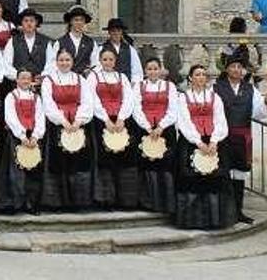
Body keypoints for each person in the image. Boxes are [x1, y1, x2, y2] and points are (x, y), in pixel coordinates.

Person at [175, 65, 236, 230]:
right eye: (197, 74)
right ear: (190, 78)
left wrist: (215, 141)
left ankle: (215, 219)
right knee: (192, 179)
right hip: (191, 142)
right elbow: (183, 121)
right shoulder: (183, 98)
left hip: (213, 140)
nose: (201, 77)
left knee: (214, 178)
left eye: (203, 74)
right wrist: (198, 142)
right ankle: (192, 220)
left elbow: (220, 120)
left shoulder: (215, 98)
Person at [213, 55, 267, 224]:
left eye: (239, 67)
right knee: (222, 174)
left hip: (243, 137)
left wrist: (266, 102)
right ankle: (223, 212)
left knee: (239, 176)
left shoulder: (251, 90)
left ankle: (238, 211)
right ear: (227, 69)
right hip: (222, 136)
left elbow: (259, 112)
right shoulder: (216, 88)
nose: (236, 70)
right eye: (233, 66)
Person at [40, 49, 95, 210]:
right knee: (59, 163)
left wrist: (78, 121)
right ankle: (57, 202)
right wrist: (62, 121)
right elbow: (48, 104)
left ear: (72, 62)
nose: (64, 63)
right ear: (56, 62)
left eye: (67, 60)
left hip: (77, 126)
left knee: (78, 163)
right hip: (58, 126)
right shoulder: (49, 81)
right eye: (61, 60)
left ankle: (79, 202)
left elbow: (87, 102)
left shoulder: (80, 79)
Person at [88, 48, 139, 209]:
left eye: (111, 59)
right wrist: (105, 119)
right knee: (105, 161)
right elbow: (92, 99)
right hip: (102, 123)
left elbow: (128, 98)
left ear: (115, 61)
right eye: (105, 59)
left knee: (123, 160)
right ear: (100, 61)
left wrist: (122, 118)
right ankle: (105, 199)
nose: (108, 62)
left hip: (121, 123)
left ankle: (124, 200)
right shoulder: (93, 77)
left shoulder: (121, 77)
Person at [132, 57, 180, 213]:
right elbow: (136, 109)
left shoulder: (170, 86)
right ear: (145, 71)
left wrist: (161, 127)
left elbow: (173, 110)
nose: (152, 72)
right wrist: (147, 127)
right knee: (147, 164)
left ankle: (166, 202)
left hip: (165, 130)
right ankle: (148, 202)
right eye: (149, 69)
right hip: (144, 130)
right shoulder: (139, 87)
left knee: (165, 164)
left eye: (155, 69)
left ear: (160, 70)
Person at [0, 68, 45, 213]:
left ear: (31, 80)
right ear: (17, 80)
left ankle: (31, 204)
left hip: (33, 137)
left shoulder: (36, 97)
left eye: (27, 78)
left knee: (33, 171)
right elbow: (10, 117)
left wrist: (36, 136)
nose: (25, 81)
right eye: (22, 78)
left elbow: (40, 117)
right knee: (15, 171)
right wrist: (22, 136)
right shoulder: (11, 96)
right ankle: (14, 204)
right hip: (17, 136)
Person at [3, 8, 55, 83]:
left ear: (36, 23)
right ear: (22, 23)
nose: (29, 24)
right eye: (26, 21)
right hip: (18, 86)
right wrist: (19, 77)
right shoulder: (13, 41)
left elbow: (51, 63)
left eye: (31, 21)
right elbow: (6, 64)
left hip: (40, 84)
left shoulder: (45, 42)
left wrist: (43, 76)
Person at [52, 5, 100, 76]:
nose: (79, 23)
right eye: (76, 20)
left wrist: (90, 72)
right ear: (71, 21)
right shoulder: (60, 42)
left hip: (85, 80)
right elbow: (53, 63)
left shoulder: (91, 43)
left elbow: (96, 63)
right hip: (65, 80)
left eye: (81, 20)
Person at [100, 18, 143, 84]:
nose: (116, 33)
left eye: (118, 31)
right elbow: (98, 68)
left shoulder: (130, 49)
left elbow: (137, 70)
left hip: (127, 84)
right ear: (109, 32)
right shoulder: (101, 48)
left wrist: (134, 83)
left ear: (122, 32)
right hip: (108, 84)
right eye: (113, 31)